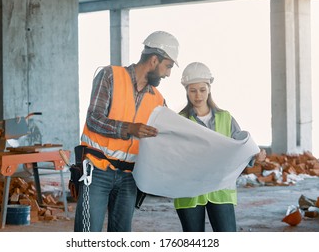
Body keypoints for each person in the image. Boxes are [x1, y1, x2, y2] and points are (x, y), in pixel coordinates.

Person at [74, 31, 180, 232]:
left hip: (130, 177)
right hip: (97, 170)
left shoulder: (158, 99)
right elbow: (94, 119)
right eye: (168, 66)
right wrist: (129, 129)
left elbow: (168, 135)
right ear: (154, 60)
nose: (168, 74)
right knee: (87, 234)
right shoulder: (110, 76)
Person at [175, 62, 266, 232]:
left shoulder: (226, 118)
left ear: (209, 89)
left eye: (202, 89)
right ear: (186, 91)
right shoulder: (179, 120)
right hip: (189, 191)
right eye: (192, 90)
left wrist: (255, 155)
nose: (198, 95)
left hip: (220, 190)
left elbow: (241, 147)